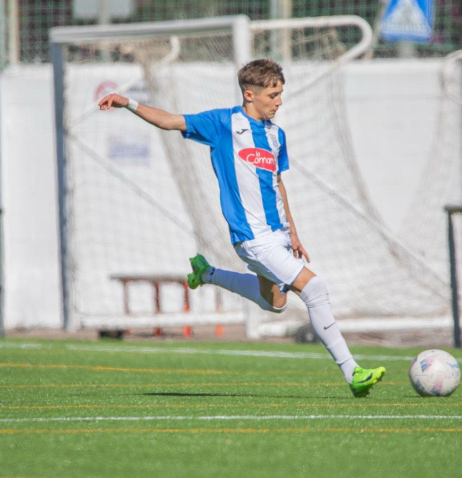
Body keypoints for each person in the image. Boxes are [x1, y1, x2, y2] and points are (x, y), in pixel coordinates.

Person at [98, 59, 385, 398]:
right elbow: (170, 120)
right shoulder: (223, 123)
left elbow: (278, 184)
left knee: (275, 302)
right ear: (250, 94)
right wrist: (127, 102)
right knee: (315, 288)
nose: (279, 102)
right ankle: (353, 372)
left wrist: (293, 232)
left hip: (276, 236)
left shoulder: (277, 135)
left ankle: (207, 275)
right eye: (273, 95)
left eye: (280, 94)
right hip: (252, 239)